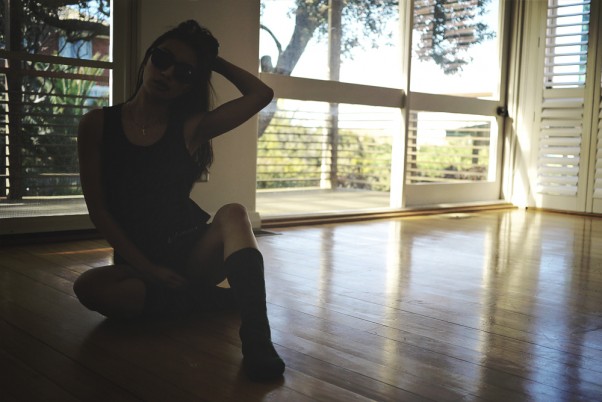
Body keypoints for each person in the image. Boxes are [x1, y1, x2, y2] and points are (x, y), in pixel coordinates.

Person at [73, 20, 284, 382]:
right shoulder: (96, 124)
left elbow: (260, 95)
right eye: (163, 59)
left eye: (184, 72)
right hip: (138, 263)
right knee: (88, 288)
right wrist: (147, 269)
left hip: (193, 254)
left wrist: (212, 62)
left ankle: (257, 336)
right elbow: (100, 211)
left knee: (234, 213)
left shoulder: (190, 127)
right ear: (148, 58)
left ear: (191, 83)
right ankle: (208, 300)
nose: (168, 73)